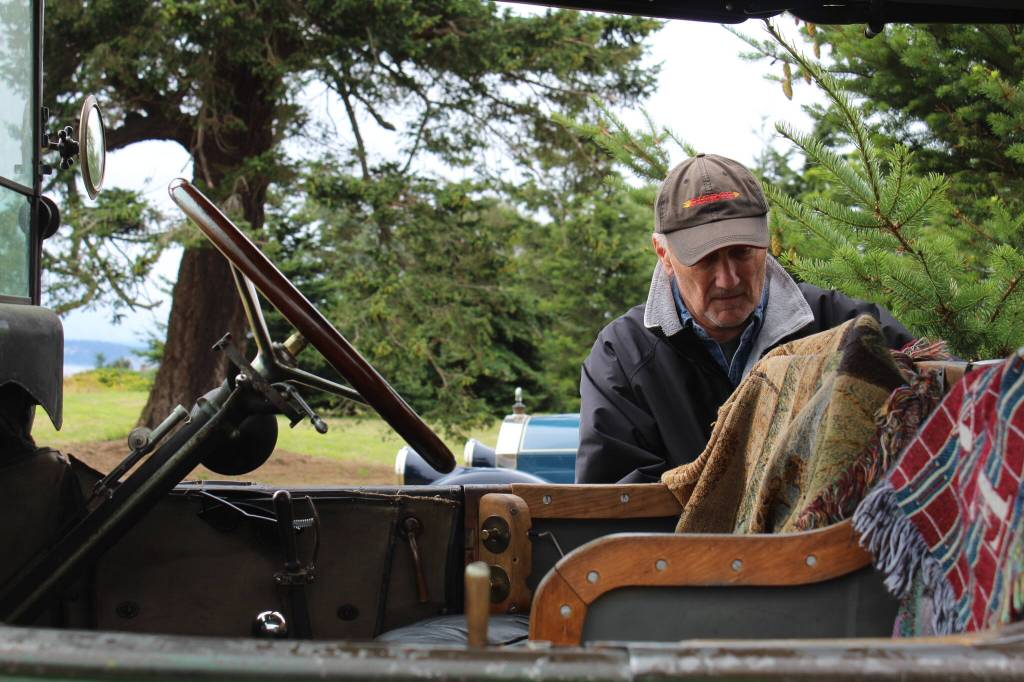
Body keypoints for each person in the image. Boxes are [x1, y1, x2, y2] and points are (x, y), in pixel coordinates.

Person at [576, 153, 914, 484]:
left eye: (741, 253)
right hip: (684, 544)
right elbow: (614, 509)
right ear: (664, 254)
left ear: (765, 242)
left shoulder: (843, 326)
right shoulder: (622, 357)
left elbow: (944, 400)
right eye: (705, 259)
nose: (728, 279)